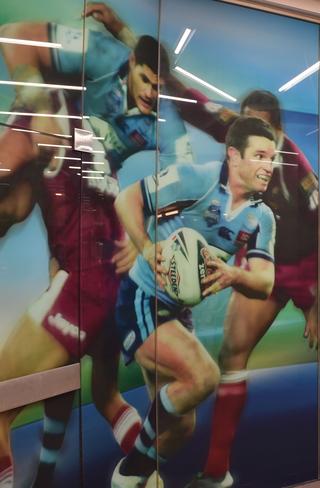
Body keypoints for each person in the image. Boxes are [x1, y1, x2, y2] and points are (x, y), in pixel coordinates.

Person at [0, 17, 193, 487]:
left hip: (92, 276)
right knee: (105, 394)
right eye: (146, 80)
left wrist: (143, 232)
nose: (152, 94)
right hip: (109, 274)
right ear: (130, 66)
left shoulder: (32, 133)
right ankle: (143, 478)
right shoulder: (96, 62)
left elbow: (186, 181)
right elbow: (20, 37)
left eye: (160, 87)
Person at [185, 90, 320, 488]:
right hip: (264, 262)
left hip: (308, 269)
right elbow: (191, 99)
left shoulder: (296, 167)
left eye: (266, 130)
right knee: (231, 353)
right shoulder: (236, 141)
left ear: (278, 132)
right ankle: (216, 471)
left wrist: (318, 299)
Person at [111, 116, 277, 488]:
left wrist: (235, 275)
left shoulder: (261, 217)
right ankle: (133, 468)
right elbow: (127, 200)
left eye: (273, 158)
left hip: (177, 313)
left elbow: (265, 283)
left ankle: (127, 480)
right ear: (234, 156)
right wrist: (147, 246)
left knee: (181, 426)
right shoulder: (195, 179)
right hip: (142, 299)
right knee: (203, 377)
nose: (270, 166)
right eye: (261, 156)